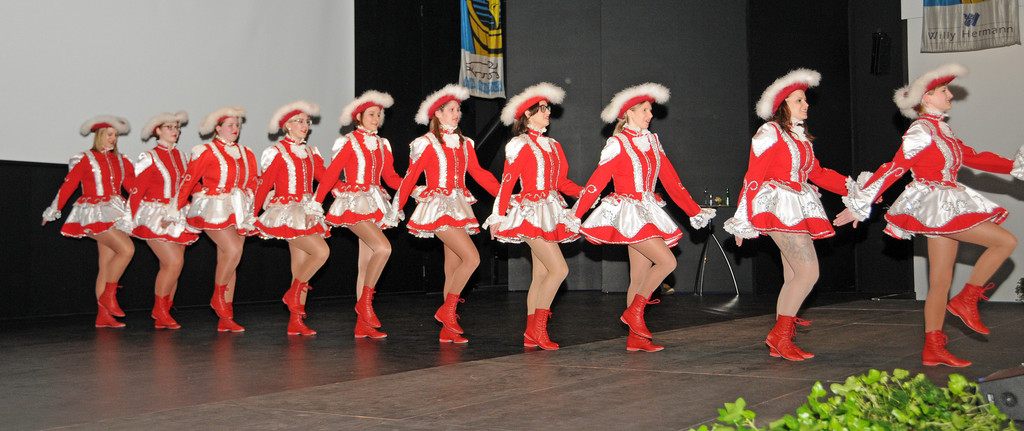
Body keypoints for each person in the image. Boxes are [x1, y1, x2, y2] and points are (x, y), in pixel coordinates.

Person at [835, 63, 1024, 367]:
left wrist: (1014, 166)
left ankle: (933, 347)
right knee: (1005, 241)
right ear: (926, 98)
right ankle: (967, 299)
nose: (950, 95)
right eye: (944, 90)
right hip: (936, 202)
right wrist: (861, 202)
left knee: (940, 280)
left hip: (945, 202)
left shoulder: (942, 129)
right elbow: (895, 168)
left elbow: (973, 157)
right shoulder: (920, 131)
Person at [575, 83, 715, 352]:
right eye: (644, 110)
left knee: (639, 278)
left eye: (651, 110)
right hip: (628, 214)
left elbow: (672, 181)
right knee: (667, 261)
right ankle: (633, 313)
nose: (650, 115)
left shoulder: (652, 141)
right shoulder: (617, 143)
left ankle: (635, 338)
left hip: (648, 210)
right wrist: (576, 214)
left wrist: (694, 210)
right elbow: (596, 182)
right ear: (628, 113)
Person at [723, 69, 851, 361]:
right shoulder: (770, 132)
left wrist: (856, 190)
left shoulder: (801, 137)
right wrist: (743, 219)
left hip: (798, 205)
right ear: (782, 105)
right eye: (798, 100)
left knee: (794, 274)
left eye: (805, 100)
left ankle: (781, 339)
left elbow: (818, 174)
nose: (806, 105)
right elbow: (753, 176)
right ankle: (778, 335)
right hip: (777, 206)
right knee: (808, 272)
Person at [388, 84, 500, 343]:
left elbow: (480, 174)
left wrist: (505, 195)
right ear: (437, 114)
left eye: (458, 109)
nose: (457, 114)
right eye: (451, 109)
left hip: (459, 206)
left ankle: (447, 329)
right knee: (472, 258)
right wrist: (396, 208)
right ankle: (447, 310)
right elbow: (410, 178)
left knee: (453, 267)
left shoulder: (465, 143)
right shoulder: (425, 143)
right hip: (437, 207)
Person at [483, 82, 581, 350]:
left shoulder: (553, 145)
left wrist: (586, 193)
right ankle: (539, 329)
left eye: (548, 108)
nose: (548, 113)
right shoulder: (519, 144)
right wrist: (497, 215)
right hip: (529, 213)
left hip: (550, 212)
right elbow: (507, 182)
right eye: (542, 109)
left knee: (541, 275)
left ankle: (530, 332)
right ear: (528, 113)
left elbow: (561, 183)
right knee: (559, 269)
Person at [316, 90, 403, 339]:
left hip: (375, 203)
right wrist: (316, 203)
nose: (376, 119)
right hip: (354, 204)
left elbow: (390, 177)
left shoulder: (382, 144)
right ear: (359, 117)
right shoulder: (349, 142)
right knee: (383, 248)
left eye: (379, 115)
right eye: (371, 114)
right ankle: (364, 303)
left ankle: (362, 324)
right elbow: (331, 175)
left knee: (365, 264)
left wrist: (414, 187)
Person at [42, 115, 136, 328]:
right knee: (127, 249)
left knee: (106, 265)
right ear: (99, 135)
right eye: (109, 134)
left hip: (116, 211)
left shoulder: (121, 160)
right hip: (94, 213)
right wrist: (52, 211)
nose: (113, 139)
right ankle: (108, 296)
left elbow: (133, 187)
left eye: (115, 135)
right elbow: (69, 185)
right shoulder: (85, 158)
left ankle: (103, 316)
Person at [176, 106, 258, 332]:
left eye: (237, 125)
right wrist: (178, 206)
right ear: (218, 128)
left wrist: (254, 204)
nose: (235, 129)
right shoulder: (206, 150)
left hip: (239, 209)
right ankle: (218, 296)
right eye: (230, 125)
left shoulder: (246, 152)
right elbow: (190, 179)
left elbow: (252, 181)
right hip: (214, 207)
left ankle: (226, 317)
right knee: (233, 250)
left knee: (230, 260)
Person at [253, 101, 330, 336]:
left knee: (300, 267)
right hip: (286, 212)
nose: (304, 125)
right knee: (321, 252)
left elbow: (325, 178)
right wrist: (251, 215)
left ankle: (295, 321)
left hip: (306, 210)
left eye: (307, 121)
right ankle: (293, 294)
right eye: (299, 121)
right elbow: (264, 185)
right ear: (287, 125)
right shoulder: (277, 152)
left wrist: (344, 189)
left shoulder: (310, 152)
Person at [131, 111, 200, 329]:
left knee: (173, 266)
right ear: (157, 131)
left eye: (176, 127)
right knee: (174, 263)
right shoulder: (149, 157)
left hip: (179, 214)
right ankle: (159, 309)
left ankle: (165, 310)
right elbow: (137, 191)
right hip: (154, 214)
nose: (174, 131)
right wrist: (128, 220)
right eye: (169, 127)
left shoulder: (183, 157)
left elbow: (192, 186)